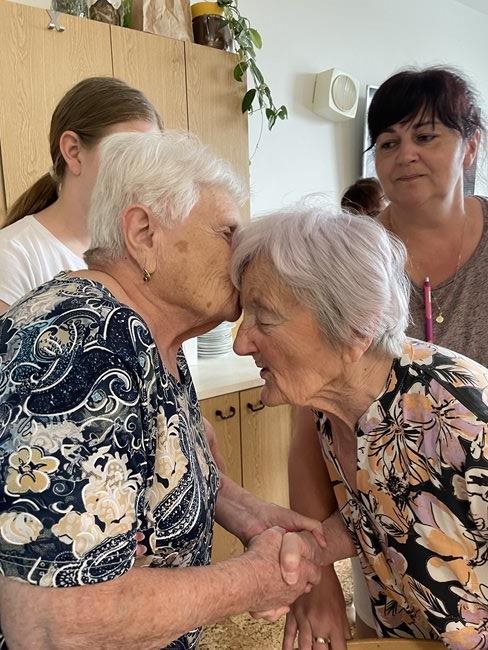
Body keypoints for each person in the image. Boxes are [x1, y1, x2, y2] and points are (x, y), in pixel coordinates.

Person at [0, 131, 327, 650]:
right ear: (143, 233)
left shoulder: (148, 337)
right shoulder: (86, 351)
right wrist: (252, 580)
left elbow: (150, 476)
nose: (244, 256)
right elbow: (54, 624)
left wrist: (248, 513)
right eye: (228, 233)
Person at [290, 65, 488, 645]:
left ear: (471, 145)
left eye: (427, 136)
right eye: (388, 142)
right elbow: (310, 419)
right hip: (382, 536)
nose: (406, 156)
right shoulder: (345, 261)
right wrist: (317, 577)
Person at [232, 203, 488, 649]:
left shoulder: (464, 421)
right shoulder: (338, 407)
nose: (240, 343)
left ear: (355, 329)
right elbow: (389, 511)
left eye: (265, 318)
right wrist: (313, 550)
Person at [0, 76, 163, 315]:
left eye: (152, 159)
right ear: (74, 152)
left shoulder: (143, 247)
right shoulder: (11, 257)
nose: (144, 175)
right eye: (128, 156)